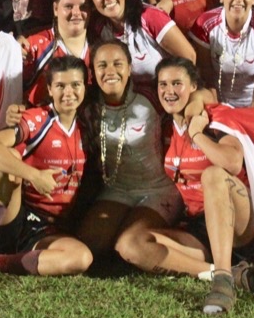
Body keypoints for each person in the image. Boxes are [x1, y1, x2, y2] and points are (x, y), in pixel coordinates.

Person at [0, 56, 94, 285]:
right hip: (15, 217)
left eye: (75, 85)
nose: (68, 92)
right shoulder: (36, 119)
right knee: (6, 157)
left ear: (84, 87)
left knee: (81, 258)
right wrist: (34, 175)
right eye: (60, 85)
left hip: (49, 229)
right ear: (49, 89)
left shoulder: (89, 124)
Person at [128, 58, 254, 314]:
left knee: (212, 175)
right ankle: (225, 272)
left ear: (193, 87)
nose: (169, 91)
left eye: (177, 83)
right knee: (131, 245)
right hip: (199, 228)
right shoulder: (162, 126)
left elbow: (232, 163)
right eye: (163, 84)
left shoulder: (217, 115)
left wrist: (198, 134)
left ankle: (223, 283)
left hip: (239, 223)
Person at [74, 41, 183, 269]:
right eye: (102, 65)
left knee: (127, 246)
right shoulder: (87, 106)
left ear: (130, 67)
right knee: (90, 244)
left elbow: (194, 95)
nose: (110, 72)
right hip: (117, 190)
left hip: (158, 189)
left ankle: (191, 248)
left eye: (118, 64)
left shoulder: (150, 98)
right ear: (93, 72)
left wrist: (197, 104)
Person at [86, 0, 197, 95]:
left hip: (165, 100)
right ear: (93, 2)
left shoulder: (149, 16)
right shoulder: (98, 29)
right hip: (131, 105)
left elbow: (189, 57)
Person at [20, 0, 91, 108]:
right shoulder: (35, 46)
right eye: (68, 6)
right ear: (55, 9)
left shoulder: (99, 49)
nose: (76, 13)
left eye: (83, 7)